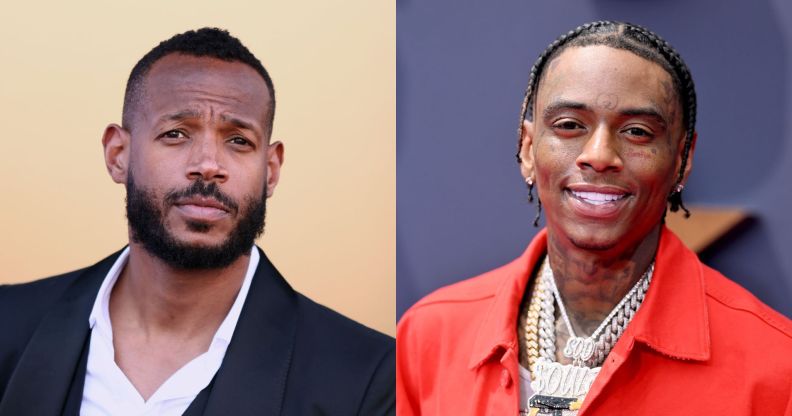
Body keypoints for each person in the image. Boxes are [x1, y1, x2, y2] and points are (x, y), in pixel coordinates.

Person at [397, 21, 792, 415]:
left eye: (637, 132)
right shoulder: (428, 337)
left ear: (682, 159)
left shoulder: (776, 366)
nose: (600, 155)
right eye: (569, 125)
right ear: (528, 148)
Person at [0, 28, 394, 416]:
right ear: (118, 154)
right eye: (176, 134)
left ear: (271, 170)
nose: (208, 164)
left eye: (238, 140)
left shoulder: (366, 378)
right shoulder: (10, 324)